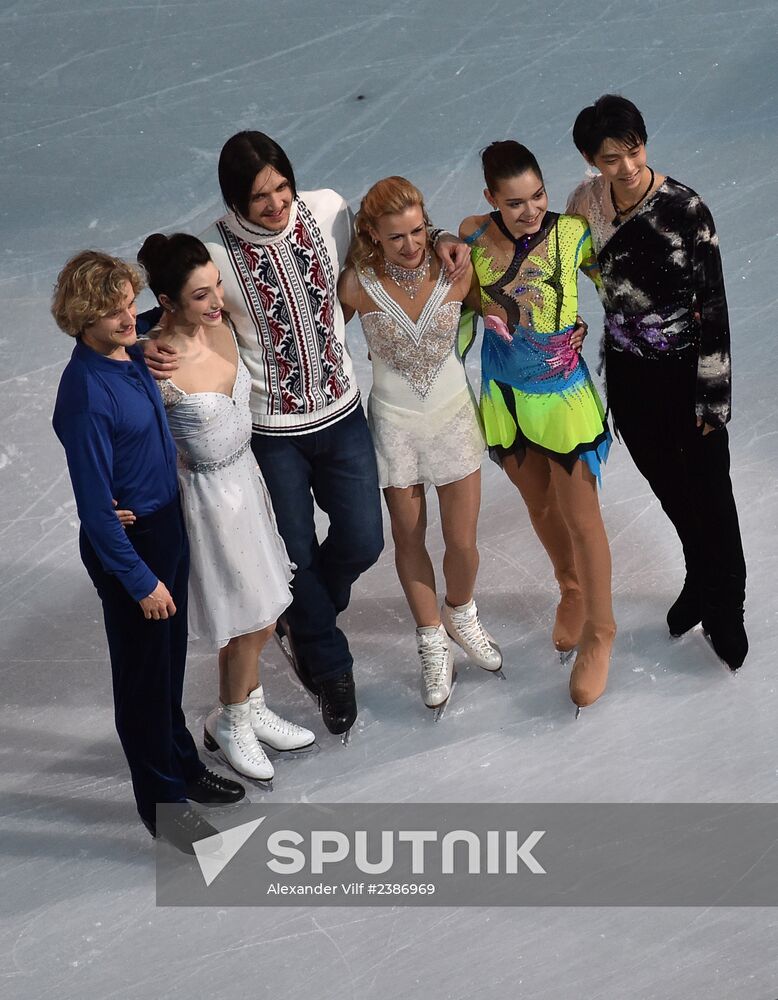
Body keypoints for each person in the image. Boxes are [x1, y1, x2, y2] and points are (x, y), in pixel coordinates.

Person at [143, 131, 470, 740]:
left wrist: (446, 235)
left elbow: (393, 230)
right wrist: (144, 342)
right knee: (294, 558)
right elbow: (176, 299)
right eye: (259, 196)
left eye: (281, 186)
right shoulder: (217, 252)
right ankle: (330, 665)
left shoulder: (327, 209)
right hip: (273, 433)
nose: (275, 203)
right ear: (234, 199)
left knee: (365, 540)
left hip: (342, 415)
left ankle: (303, 616)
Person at [51, 250, 244, 853]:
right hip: (130, 549)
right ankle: (163, 808)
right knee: (141, 682)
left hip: (165, 526)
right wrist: (137, 579)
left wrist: (138, 347)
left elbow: (143, 328)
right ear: (83, 319)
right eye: (113, 313)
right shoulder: (83, 395)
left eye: (130, 304)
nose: (129, 318)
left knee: (165, 670)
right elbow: (93, 508)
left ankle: (182, 766)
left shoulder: (126, 354)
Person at [567, 94, 747, 671]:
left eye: (634, 150)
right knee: (669, 488)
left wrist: (712, 397)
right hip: (628, 374)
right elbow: (552, 260)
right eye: (610, 158)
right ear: (591, 161)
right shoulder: (584, 205)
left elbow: (713, 307)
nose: (626, 166)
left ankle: (727, 606)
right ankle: (700, 577)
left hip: (686, 374)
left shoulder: (684, 210)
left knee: (711, 495)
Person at [136, 233, 315, 784]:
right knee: (248, 619)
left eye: (217, 286)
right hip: (208, 504)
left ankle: (247, 703)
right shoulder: (154, 363)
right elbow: (122, 423)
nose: (217, 301)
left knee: (261, 610)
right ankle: (230, 720)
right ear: (166, 302)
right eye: (200, 296)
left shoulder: (224, 323)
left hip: (247, 486)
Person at [460, 141, 615, 711]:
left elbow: (615, 290)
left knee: (582, 516)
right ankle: (570, 587)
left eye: (539, 195)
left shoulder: (572, 233)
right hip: (504, 393)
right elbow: (462, 305)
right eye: (515, 201)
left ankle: (601, 633)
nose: (530, 210)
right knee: (540, 505)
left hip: (561, 396)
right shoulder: (473, 238)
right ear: (491, 199)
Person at [337, 176, 501, 713]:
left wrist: (444, 237)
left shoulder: (455, 265)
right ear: (373, 236)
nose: (409, 245)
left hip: (453, 416)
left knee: (463, 542)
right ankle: (432, 640)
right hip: (394, 425)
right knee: (409, 540)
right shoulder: (356, 285)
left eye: (416, 231)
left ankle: (462, 612)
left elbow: (493, 265)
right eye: (396, 237)